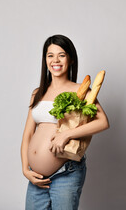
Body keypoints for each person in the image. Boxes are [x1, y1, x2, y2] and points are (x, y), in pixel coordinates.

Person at [20, 34, 109, 210]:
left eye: (61, 55)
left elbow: (103, 122)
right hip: (36, 176)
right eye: (50, 55)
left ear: (71, 59)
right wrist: (25, 169)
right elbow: (28, 133)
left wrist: (67, 134)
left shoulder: (80, 91)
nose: (55, 60)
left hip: (66, 173)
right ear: (45, 60)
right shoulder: (37, 92)